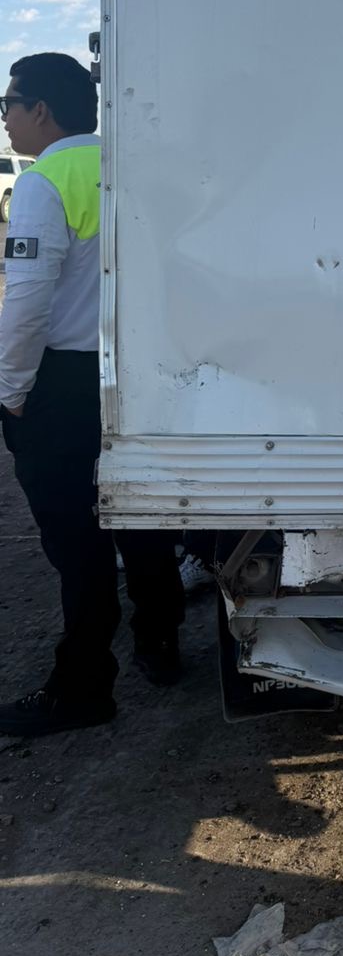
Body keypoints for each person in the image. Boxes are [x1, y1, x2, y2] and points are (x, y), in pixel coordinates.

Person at [0, 53, 184, 738]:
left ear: (41, 109)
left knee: (78, 539)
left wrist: (11, 390)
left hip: (68, 383)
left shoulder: (45, 181)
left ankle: (82, 686)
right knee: (142, 513)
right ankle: (160, 640)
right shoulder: (134, 166)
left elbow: (26, 305)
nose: (6, 118)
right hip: (142, 372)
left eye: (8, 104)